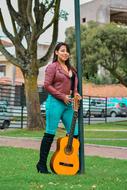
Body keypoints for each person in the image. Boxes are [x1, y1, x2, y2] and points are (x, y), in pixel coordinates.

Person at [36, 42, 81, 174]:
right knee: (50, 133)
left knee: (75, 134)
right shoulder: (52, 67)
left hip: (69, 105)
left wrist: (76, 93)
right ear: (56, 52)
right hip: (55, 103)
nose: (65, 53)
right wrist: (62, 96)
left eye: (67, 51)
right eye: (62, 50)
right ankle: (41, 165)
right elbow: (47, 85)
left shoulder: (72, 69)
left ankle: (72, 163)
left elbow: (74, 86)